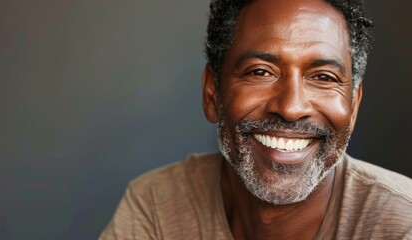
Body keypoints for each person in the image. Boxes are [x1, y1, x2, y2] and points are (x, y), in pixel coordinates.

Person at [100, 0, 412, 239]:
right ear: (213, 94)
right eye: (260, 72)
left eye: (323, 77)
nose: (291, 107)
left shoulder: (402, 223)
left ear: (353, 106)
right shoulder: (156, 207)